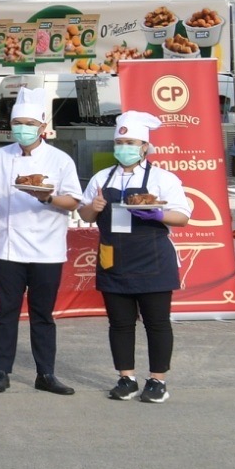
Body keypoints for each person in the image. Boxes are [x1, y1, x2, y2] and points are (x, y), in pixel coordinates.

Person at [79, 111, 190, 403]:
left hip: (152, 257)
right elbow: (85, 214)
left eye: (130, 142)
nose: (123, 148)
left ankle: (157, 381)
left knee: (157, 323)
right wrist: (95, 206)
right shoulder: (103, 177)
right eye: (119, 142)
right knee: (119, 323)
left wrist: (157, 213)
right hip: (113, 257)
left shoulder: (163, 178)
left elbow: (182, 216)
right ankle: (126, 378)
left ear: (144, 146)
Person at [0, 87, 81, 396]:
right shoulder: (0, 155)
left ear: (42, 125)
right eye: (17, 123)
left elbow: (74, 201)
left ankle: (45, 373)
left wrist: (47, 196)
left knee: (43, 315)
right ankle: (0, 371)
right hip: (9, 248)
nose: (22, 129)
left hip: (47, 249)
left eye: (28, 123)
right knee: (5, 312)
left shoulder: (59, 160)